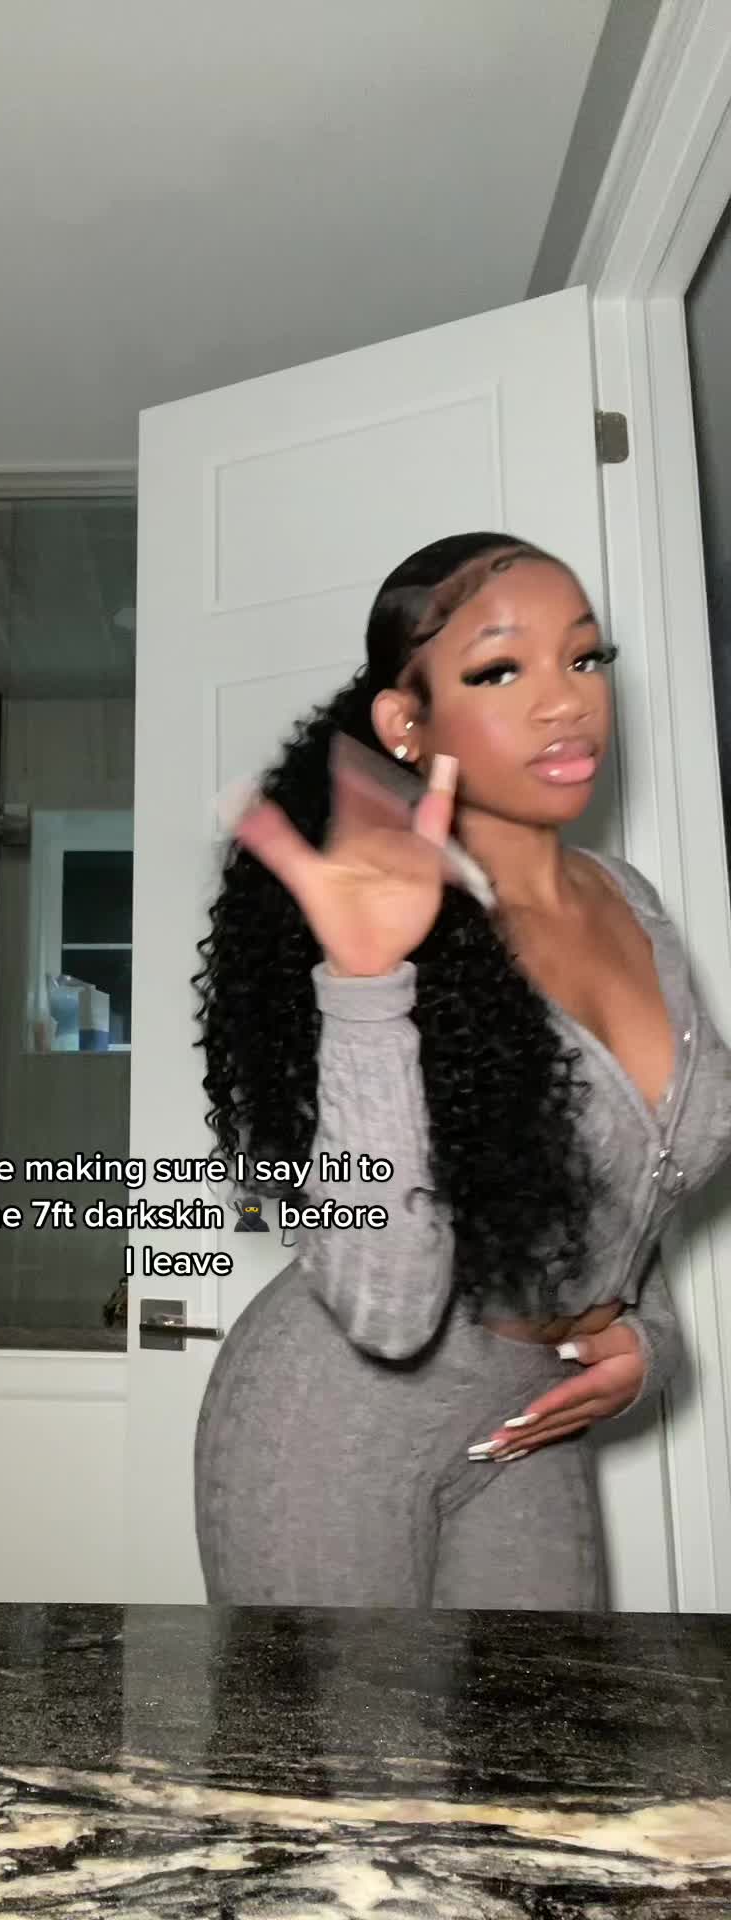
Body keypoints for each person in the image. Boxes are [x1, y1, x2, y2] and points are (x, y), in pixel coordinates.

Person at [192, 531, 731, 1610]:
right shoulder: (381, 922)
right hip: (335, 1426)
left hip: (525, 1422)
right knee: (343, 1731)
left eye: (584, 657)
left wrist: (648, 1342)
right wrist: (365, 979)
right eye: (500, 670)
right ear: (407, 721)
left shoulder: (633, 903)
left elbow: (630, 1178)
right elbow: (389, 1311)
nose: (565, 701)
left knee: (545, 1723)